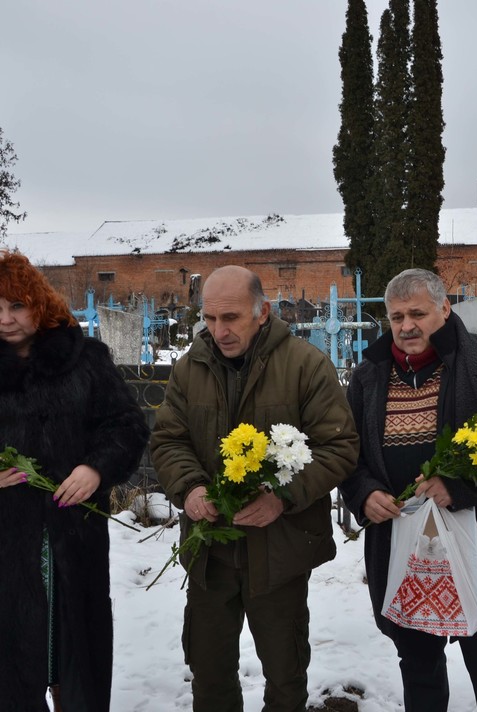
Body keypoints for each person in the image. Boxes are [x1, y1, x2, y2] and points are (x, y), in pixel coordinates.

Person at [150, 265, 359, 712]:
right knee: (209, 673)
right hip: (210, 553)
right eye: (209, 318)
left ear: (262, 312)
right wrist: (189, 489)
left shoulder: (305, 365)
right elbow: (169, 440)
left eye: (231, 318)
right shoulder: (190, 369)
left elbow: (339, 446)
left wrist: (282, 497)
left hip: (279, 552)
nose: (218, 330)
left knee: (285, 675)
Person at [338, 268, 477, 712]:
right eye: (396, 316)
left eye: (418, 313)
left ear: (445, 308)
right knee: (418, 661)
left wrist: (460, 485)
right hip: (401, 541)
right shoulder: (369, 375)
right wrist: (363, 494)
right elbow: (347, 452)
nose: (407, 325)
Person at [0, 250, 149, 712]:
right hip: (7, 537)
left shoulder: (85, 361)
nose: (4, 319)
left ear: (39, 303)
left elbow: (126, 425)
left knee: (77, 649)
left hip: (74, 534)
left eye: (16, 306)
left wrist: (96, 468)